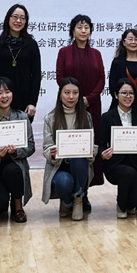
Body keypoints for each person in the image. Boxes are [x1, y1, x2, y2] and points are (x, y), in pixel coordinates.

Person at [56, 14, 106, 199]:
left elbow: (101, 78)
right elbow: (60, 77)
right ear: (73, 30)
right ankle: (69, 193)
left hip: (92, 106)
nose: (83, 31)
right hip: (69, 105)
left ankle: (83, 194)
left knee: (89, 147)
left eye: (86, 27)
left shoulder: (96, 54)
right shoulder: (64, 52)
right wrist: (74, 98)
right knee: (71, 146)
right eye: (79, 27)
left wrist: (89, 99)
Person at [0, 77, 35, 223]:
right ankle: (1, 203)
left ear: (13, 93)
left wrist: (16, 151)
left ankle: (18, 207)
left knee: (13, 171)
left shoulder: (22, 117)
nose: (4, 96)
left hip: (15, 165)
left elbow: (31, 147)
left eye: (7, 92)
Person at [41, 78, 98, 221]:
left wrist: (91, 151)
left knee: (78, 157)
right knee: (64, 182)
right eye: (67, 93)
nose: (71, 97)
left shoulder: (86, 116)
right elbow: (46, 147)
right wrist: (52, 153)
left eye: (75, 93)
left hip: (80, 165)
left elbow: (92, 144)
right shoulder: (50, 118)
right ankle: (66, 202)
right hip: (58, 167)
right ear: (60, 94)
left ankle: (78, 199)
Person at [100, 79, 137, 218]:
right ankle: (121, 205)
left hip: (136, 163)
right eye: (124, 93)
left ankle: (129, 202)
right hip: (115, 164)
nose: (128, 96)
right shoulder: (107, 117)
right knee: (127, 172)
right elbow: (100, 144)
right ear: (116, 95)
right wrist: (103, 154)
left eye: (131, 93)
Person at [0, 4, 41, 119]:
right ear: (8, 18)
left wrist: (32, 102)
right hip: (1, 99)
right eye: (15, 17)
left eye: (22, 18)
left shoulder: (31, 45)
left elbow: (36, 75)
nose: (18, 21)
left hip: (24, 99)